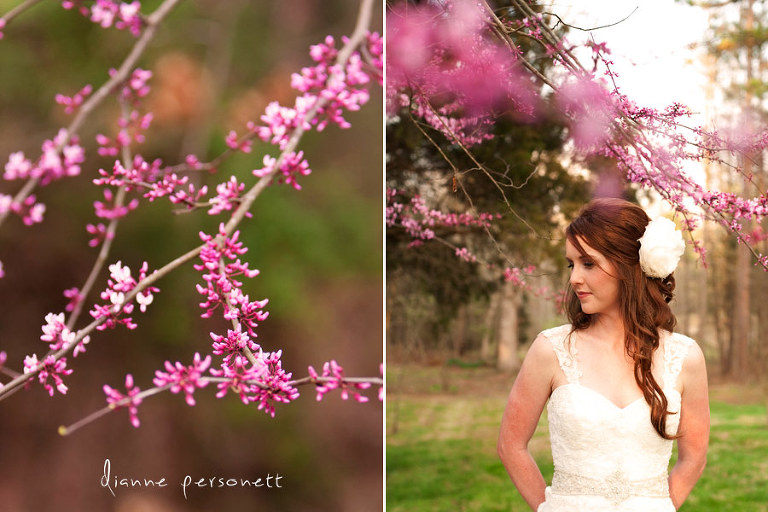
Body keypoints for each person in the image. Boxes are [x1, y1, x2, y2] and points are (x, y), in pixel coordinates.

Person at [497, 198, 709, 511]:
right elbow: (510, 445)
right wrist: (549, 508)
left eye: (588, 263)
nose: (573, 279)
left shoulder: (685, 356)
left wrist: (660, 505)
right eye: (572, 264)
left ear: (628, 267)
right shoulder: (551, 349)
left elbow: (694, 458)